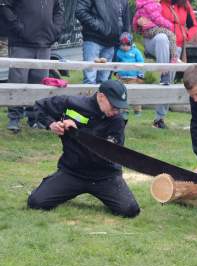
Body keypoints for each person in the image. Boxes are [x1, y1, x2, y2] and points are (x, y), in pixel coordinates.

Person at [28, 80, 140, 218]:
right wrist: (51, 124)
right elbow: (40, 106)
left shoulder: (117, 120)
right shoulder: (72, 103)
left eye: (120, 107)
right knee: (36, 202)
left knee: (130, 210)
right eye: (114, 105)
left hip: (104, 176)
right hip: (72, 171)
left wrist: (77, 132)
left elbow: (107, 152)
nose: (116, 110)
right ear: (101, 97)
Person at [0, 0, 64, 132]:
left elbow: (59, 11)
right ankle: (14, 118)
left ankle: (35, 117)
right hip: (21, 42)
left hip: (45, 43)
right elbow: (5, 6)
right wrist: (18, 27)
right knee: (18, 81)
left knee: (40, 84)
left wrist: (55, 30)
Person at [135, 0, 197, 129]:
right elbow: (140, 17)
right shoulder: (157, 2)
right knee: (162, 39)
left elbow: (194, 26)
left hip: (176, 46)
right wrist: (138, 23)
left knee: (169, 81)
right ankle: (164, 70)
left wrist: (185, 35)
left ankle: (159, 119)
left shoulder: (185, 4)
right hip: (154, 40)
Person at [76, 0, 130, 84]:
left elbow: (126, 21)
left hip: (112, 43)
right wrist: (99, 26)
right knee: (90, 80)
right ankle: (90, 97)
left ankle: (100, 97)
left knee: (104, 82)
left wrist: (126, 37)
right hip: (93, 40)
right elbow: (80, 11)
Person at [115, 32, 145, 116]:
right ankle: (124, 110)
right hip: (122, 78)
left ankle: (137, 110)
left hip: (134, 78)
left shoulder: (136, 52)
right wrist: (116, 72)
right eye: (122, 45)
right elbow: (116, 63)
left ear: (131, 44)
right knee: (122, 94)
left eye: (127, 45)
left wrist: (140, 76)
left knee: (135, 93)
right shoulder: (118, 52)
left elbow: (141, 63)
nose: (124, 47)